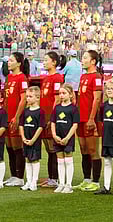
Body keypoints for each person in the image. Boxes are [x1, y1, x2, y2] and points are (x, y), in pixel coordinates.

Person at [74, 50, 103, 192]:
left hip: (90, 119)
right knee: (83, 149)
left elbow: (97, 99)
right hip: (80, 118)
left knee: (93, 150)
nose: (82, 60)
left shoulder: (97, 76)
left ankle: (96, 182)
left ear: (93, 61)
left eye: (85, 58)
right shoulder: (83, 76)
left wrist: (92, 118)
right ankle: (86, 179)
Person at [4, 52, 30, 187]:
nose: (9, 63)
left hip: (15, 116)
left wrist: (17, 116)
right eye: (8, 60)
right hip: (7, 116)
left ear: (19, 63)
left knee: (17, 147)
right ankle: (13, 175)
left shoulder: (22, 78)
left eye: (11, 60)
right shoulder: (9, 77)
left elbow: (23, 99)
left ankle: (20, 177)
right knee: (9, 147)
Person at [39, 51, 65, 188]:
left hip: (50, 117)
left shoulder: (57, 78)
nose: (44, 62)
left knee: (53, 147)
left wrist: (52, 117)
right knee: (48, 148)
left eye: (46, 60)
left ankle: (55, 178)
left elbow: (56, 99)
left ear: (54, 62)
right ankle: (51, 177)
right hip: (43, 116)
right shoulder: (45, 78)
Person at [51, 83, 80, 194]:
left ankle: (69, 184)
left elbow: (75, 124)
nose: (61, 95)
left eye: (64, 93)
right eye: (60, 93)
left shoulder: (73, 109)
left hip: (68, 138)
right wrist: (54, 135)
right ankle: (61, 183)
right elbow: (53, 122)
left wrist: (68, 137)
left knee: (68, 160)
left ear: (71, 95)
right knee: (60, 161)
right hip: (57, 137)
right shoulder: (57, 108)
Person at [19, 86, 45, 191]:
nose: (28, 99)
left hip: (35, 140)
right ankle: (28, 181)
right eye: (27, 96)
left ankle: (34, 181)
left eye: (30, 96)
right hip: (26, 139)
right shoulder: (25, 111)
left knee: (34, 159)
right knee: (27, 159)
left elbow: (40, 126)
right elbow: (21, 125)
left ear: (37, 97)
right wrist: (23, 137)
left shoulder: (40, 112)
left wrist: (33, 139)